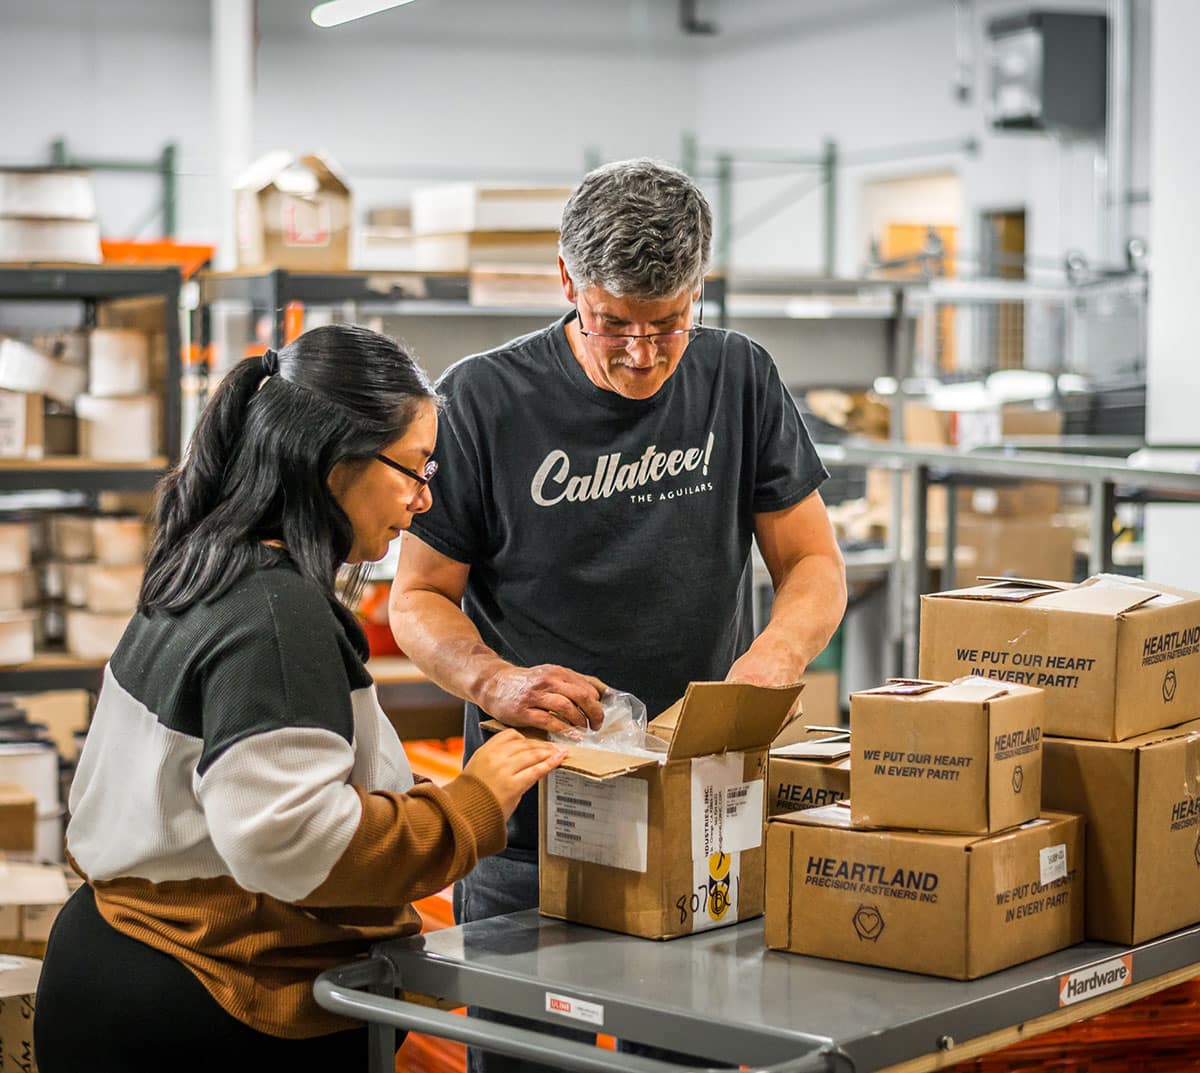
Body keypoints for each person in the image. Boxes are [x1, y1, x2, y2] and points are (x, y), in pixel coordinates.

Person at [390, 158, 847, 1071]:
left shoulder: (740, 377)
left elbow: (812, 562)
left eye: (668, 324)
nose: (641, 354)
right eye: (613, 324)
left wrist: (774, 658)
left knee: (689, 1056)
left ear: (699, 289)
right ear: (567, 284)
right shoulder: (481, 399)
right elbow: (418, 596)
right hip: (532, 820)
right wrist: (496, 680)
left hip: (699, 804)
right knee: (529, 1058)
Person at [34, 325, 566, 1073]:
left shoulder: (205, 565)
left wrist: (405, 797)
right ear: (334, 460)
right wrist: (471, 805)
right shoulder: (276, 614)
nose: (423, 499)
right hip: (203, 997)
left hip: (121, 959)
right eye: (412, 469)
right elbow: (292, 841)